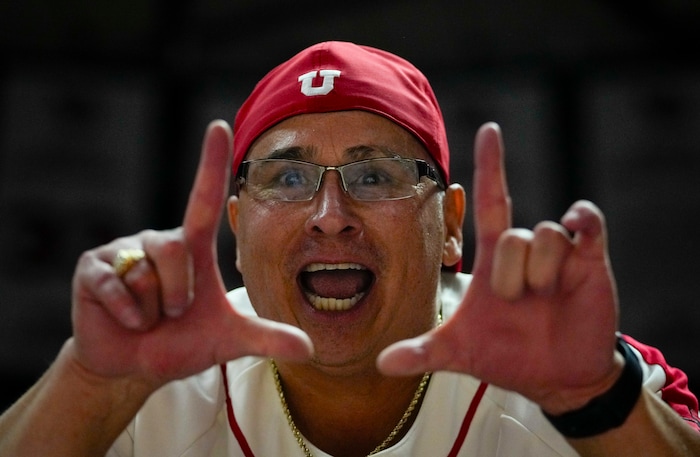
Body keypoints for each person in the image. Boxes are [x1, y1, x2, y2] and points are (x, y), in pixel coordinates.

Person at [0, 41, 698, 457]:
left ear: (451, 226)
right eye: (289, 178)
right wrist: (91, 385)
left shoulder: (564, 360)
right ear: (237, 228)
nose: (331, 217)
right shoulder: (153, 380)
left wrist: (592, 398)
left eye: (374, 175)